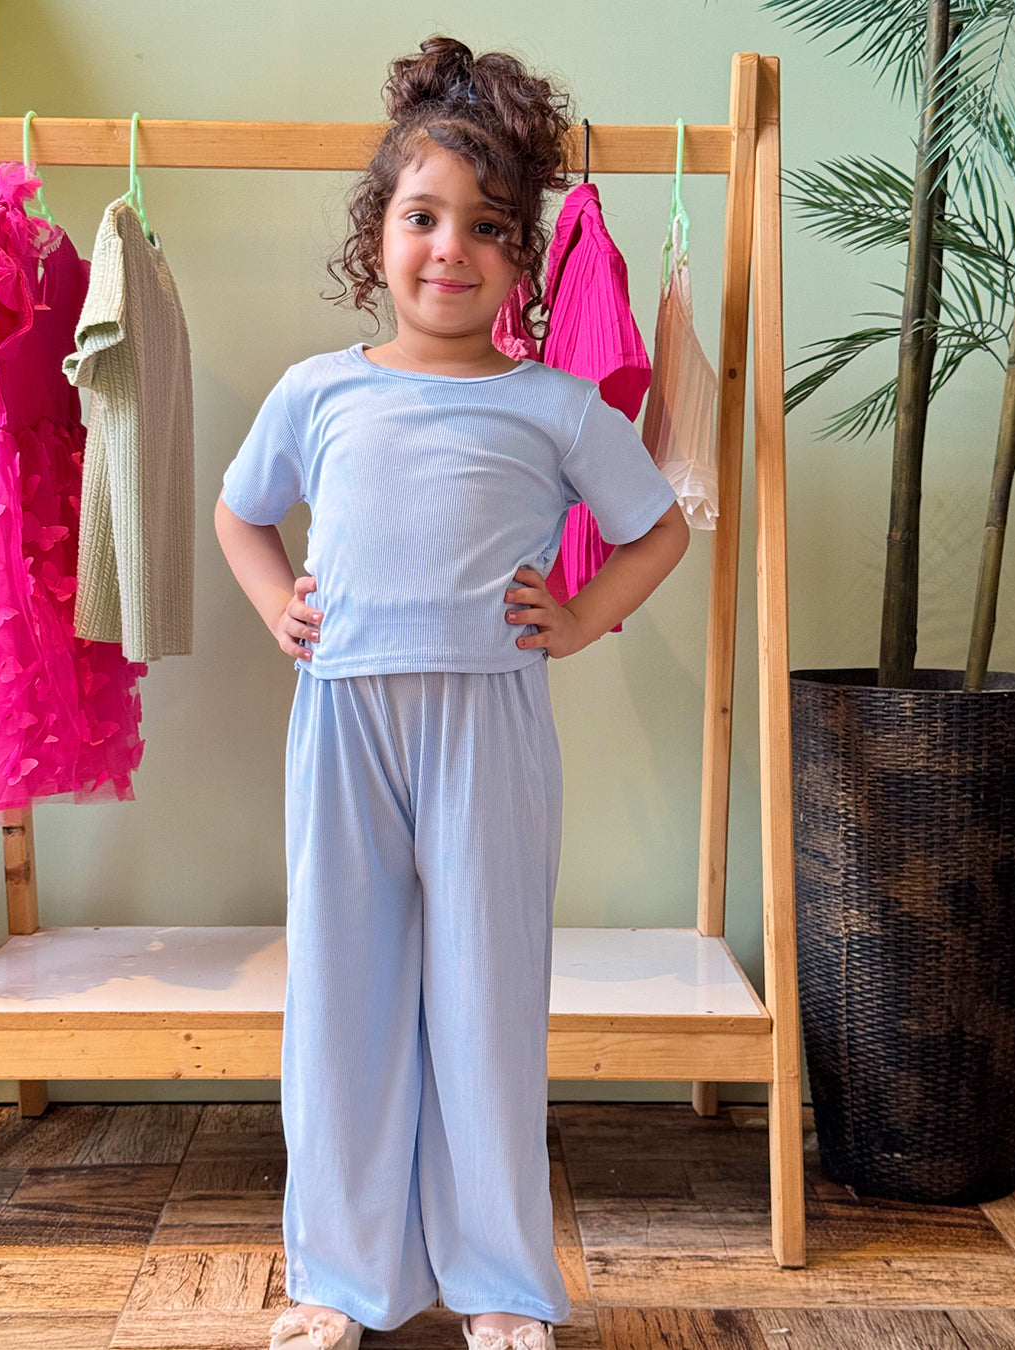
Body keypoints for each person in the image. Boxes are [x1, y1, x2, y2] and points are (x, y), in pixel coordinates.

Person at [215, 34, 690, 1350]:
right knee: (345, 1001)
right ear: (379, 234)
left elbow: (659, 528)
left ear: (518, 254)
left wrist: (585, 615)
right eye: (423, 217)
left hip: (490, 724)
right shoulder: (317, 393)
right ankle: (340, 1273)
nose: (450, 249)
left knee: (485, 1000)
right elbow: (241, 515)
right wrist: (276, 605)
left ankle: (497, 1278)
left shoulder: (553, 407)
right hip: (347, 722)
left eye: (486, 227)